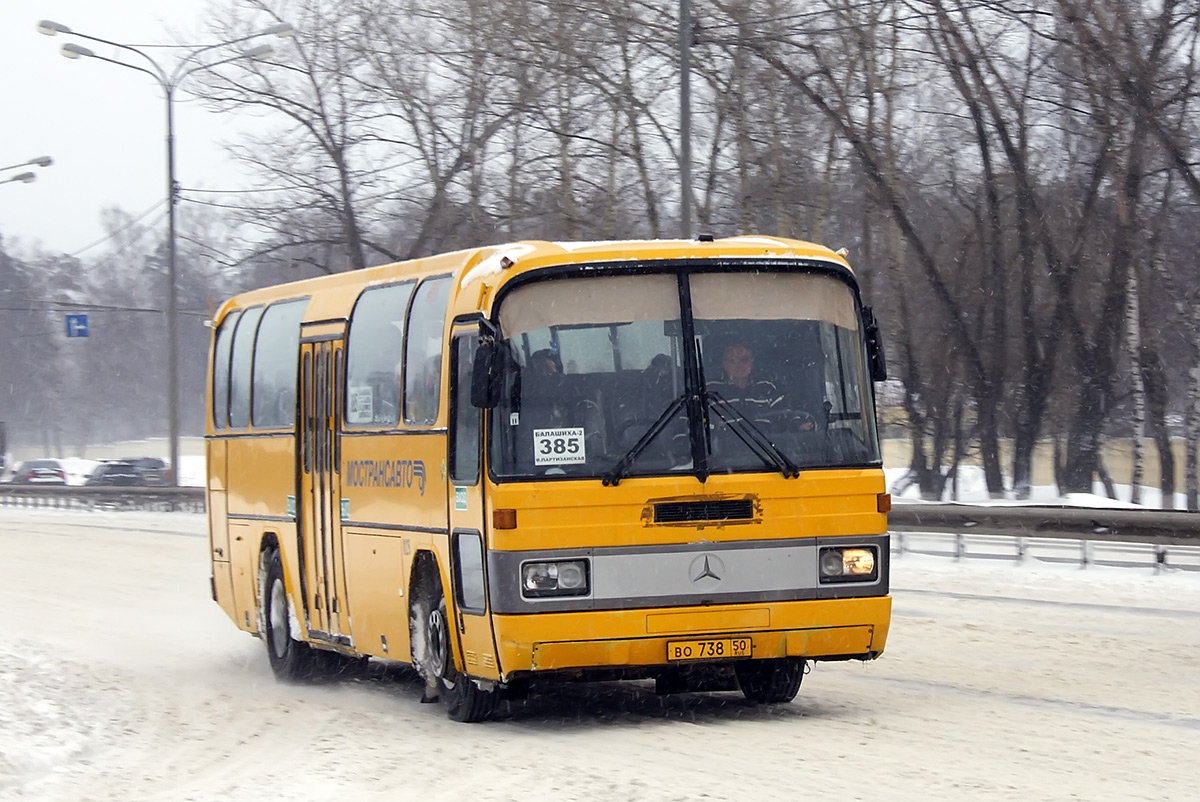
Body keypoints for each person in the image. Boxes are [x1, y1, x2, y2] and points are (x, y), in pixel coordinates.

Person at [707, 342, 815, 432]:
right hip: (724, 454)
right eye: (732, 360)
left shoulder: (766, 387)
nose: (739, 365)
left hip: (766, 451)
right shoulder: (711, 390)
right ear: (723, 363)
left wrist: (799, 425)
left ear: (751, 362)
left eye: (744, 360)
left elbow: (784, 415)